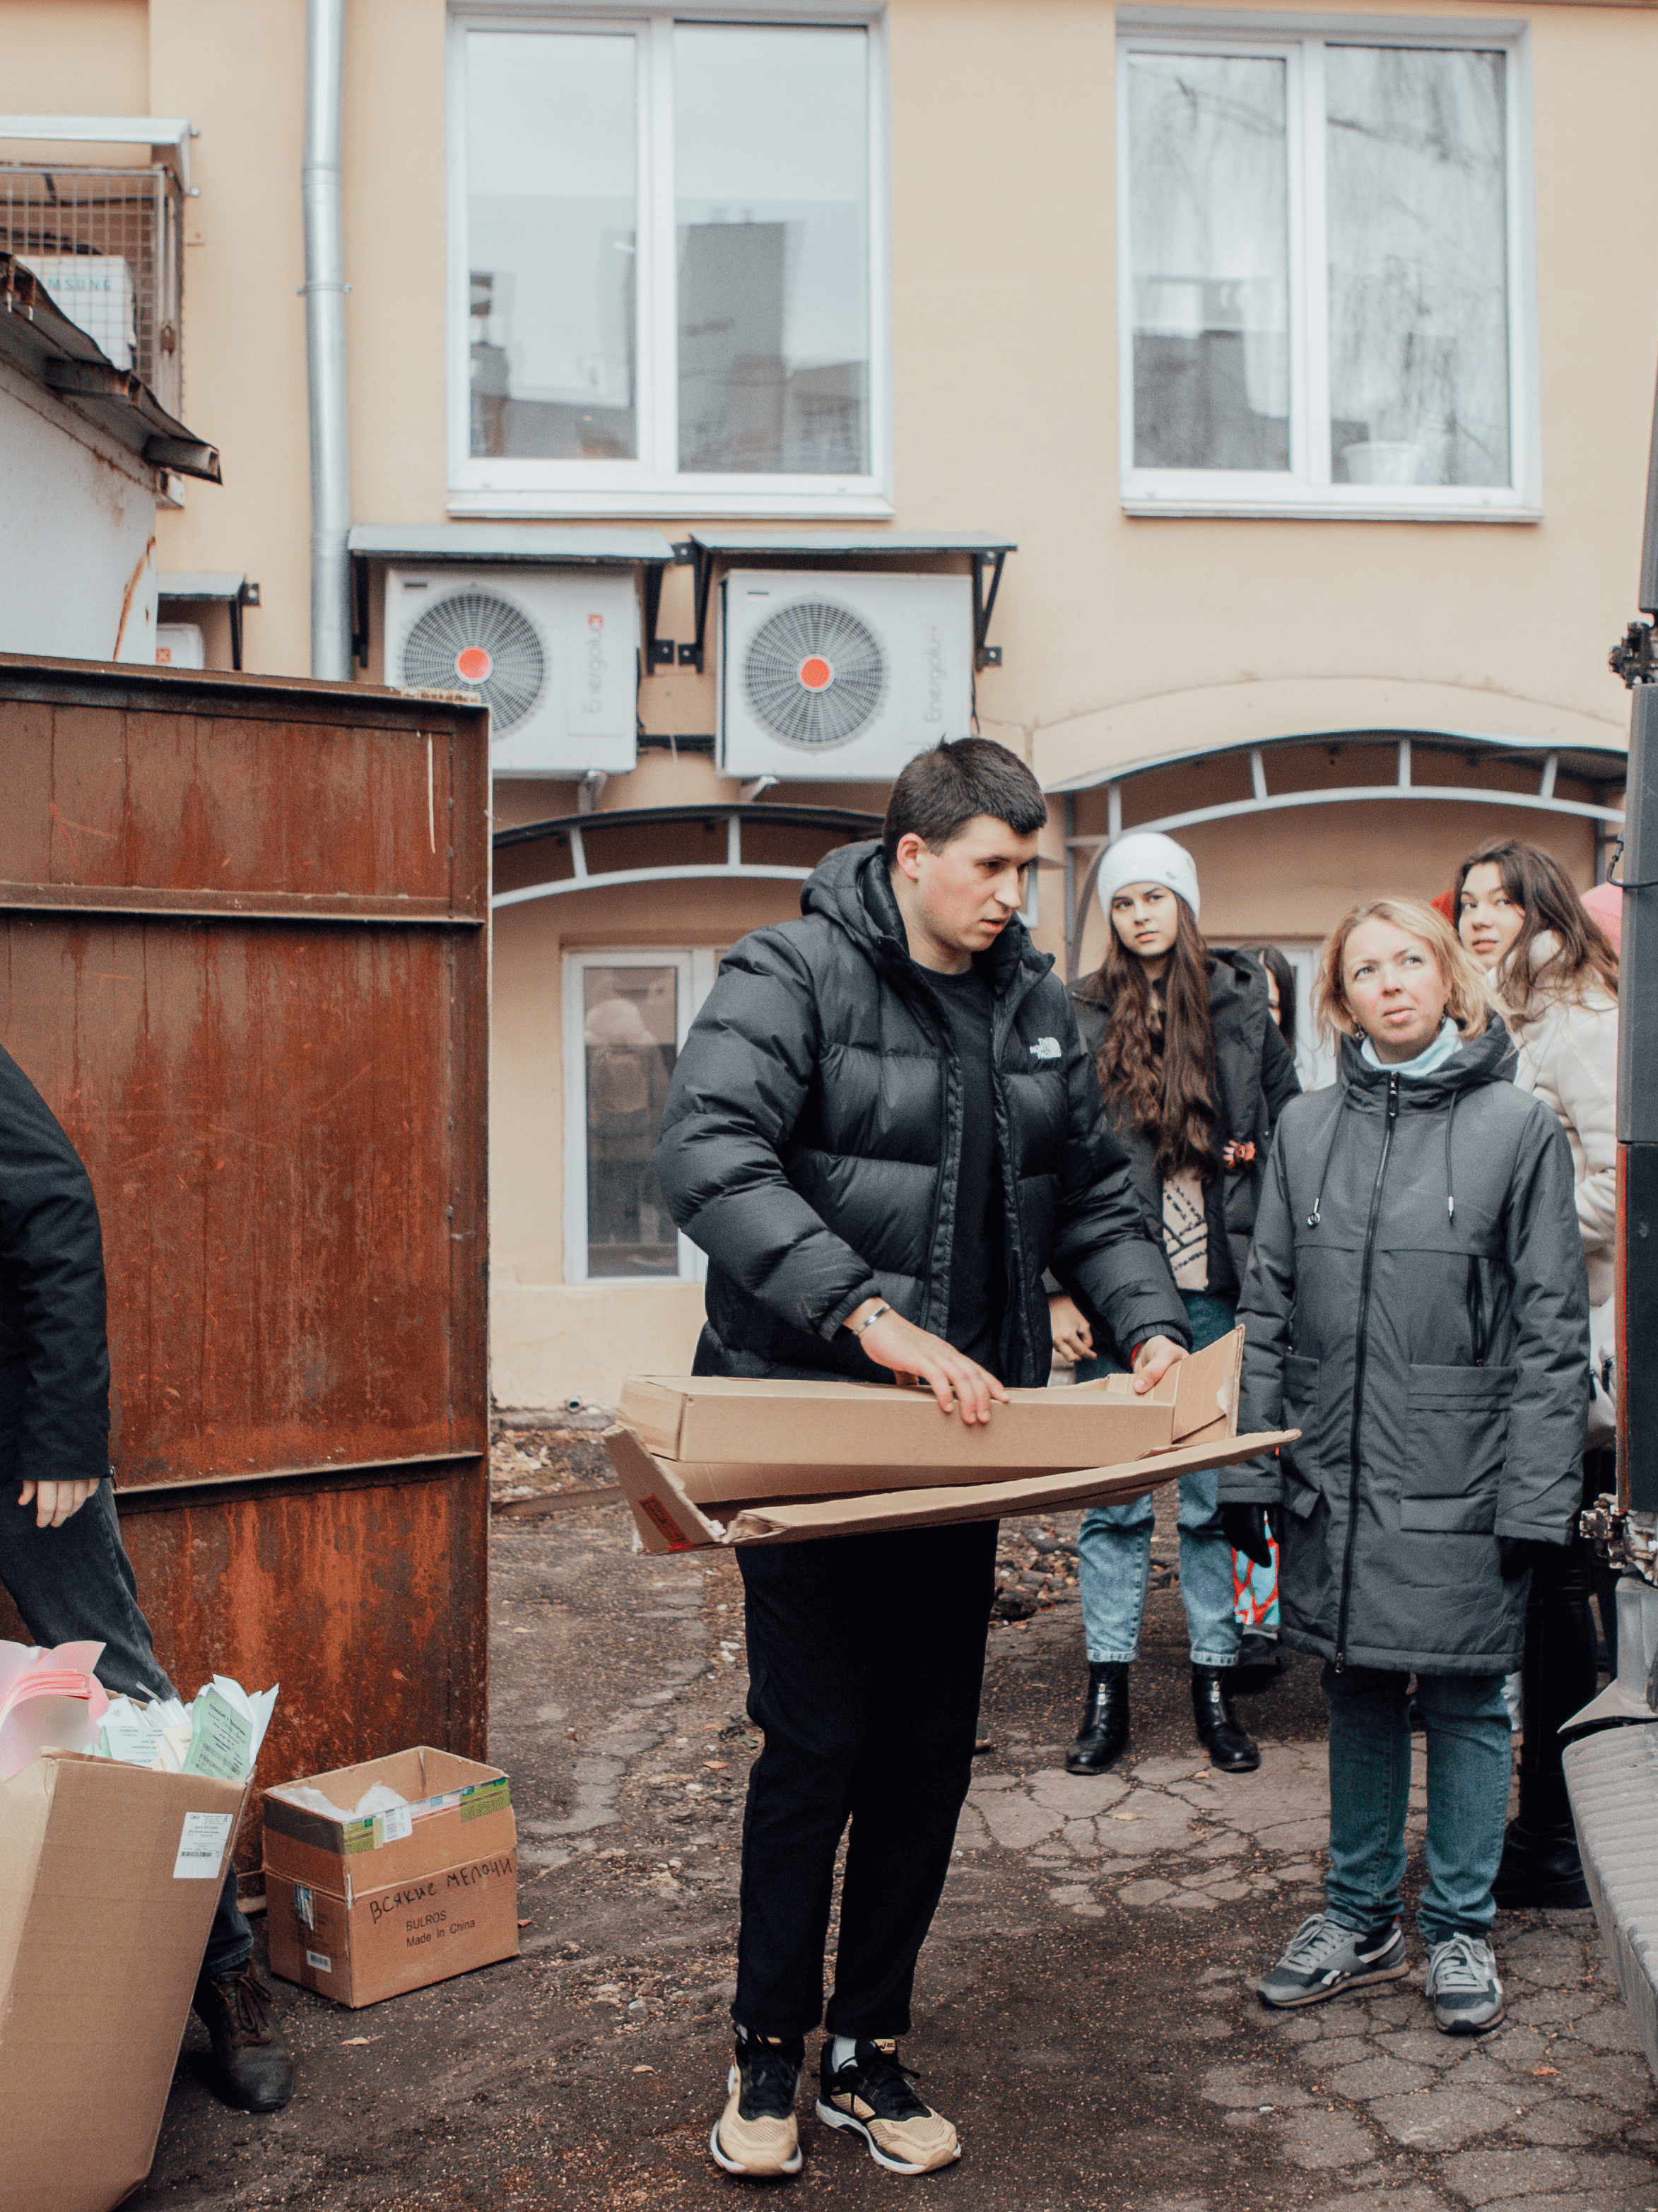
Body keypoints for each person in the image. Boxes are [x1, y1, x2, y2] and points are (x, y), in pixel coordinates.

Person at [657, 739, 1189, 2183]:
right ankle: (767, 2044)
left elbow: (1092, 1194)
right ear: (912, 856)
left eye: (1031, 868)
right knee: (817, 1744)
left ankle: (865, 2053)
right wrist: (868, 1317)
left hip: (970, 1444)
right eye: (993, 867)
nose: (1018, 894)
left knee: (925, 1754)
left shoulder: (1035, 1009)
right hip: (814, 1426)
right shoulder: (791, 973)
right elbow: (709, 1156)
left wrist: (1143, 1324)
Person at [0, 893, 293, 2114]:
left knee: (125, 1703)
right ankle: (2, 1992)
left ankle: (226, 1981)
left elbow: (51, 1198)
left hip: (11, 1438)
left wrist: (68, 1431)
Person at [1222, 900, 1590, 2040]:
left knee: (1474, 1699)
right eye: (1365, 969)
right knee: (1360, 1690)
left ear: (1449, 978)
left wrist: (1538, 1494)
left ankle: (1462, 1928)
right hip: (1335, 1466)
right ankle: (1359, 1915)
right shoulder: (1305, 1129)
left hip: (1466, 1469)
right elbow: (1267, 1305)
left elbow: (1551, 1328)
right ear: (1339, 998)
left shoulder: (1518, 1128)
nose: (1390, 984)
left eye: (1409, 962)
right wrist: (1247, 1473)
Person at [1049, 829, 1299, 1778]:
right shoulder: (1077, 1015)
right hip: (1120, 1297)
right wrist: (1055, 1292)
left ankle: (1214, 1686)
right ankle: (1105, 1689)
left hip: (1218, 1296)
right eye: (1123, 901)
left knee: (1209, 1502)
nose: (1140, 914)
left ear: (1185, 904)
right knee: (1114, 1508)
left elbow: (1286, 1141)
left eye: (1156, 896)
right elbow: (1053, 1162)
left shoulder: (1241, 1008)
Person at [1449, 838, 1621, 1908]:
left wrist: (1513, 1236)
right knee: (1542, 1575)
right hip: (1520, 1336)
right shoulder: (1504, 1020)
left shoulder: (1579, 1023)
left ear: (1542, 911)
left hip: (1576, 1344)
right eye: (1464, 902)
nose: (1475, 918)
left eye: (1498, 902)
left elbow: (1615, 1184)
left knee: (1560, 1577)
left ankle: (1556, 1836)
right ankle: (1544, 1826)